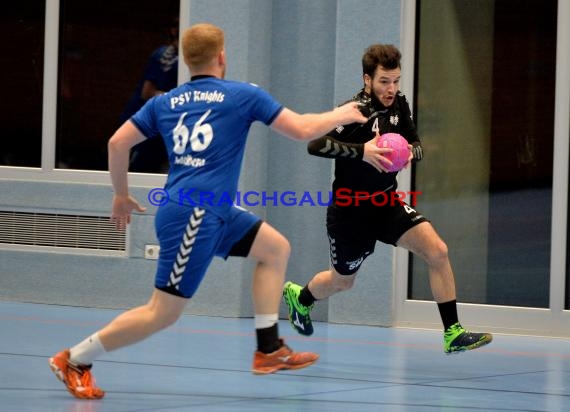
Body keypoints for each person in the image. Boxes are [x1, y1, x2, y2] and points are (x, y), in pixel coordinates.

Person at [48, 23, 367, 400]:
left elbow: (117, 143)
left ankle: (268, 349)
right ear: (221, 57)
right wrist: (342, 113)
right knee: (162, 313)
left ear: (186, 60)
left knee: (274, 248)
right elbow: (300, 129)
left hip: (214, 211)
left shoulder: (164, 102)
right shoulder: (241, 95)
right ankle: (75, 358)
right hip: (193, 216)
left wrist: (120, 195)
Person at [283, 44, 493, 354]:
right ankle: (300, 298)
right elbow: (315, 145)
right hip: (350, 213)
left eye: (395, 80)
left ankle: (452, 332)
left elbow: (417, 144)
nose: (391, 88)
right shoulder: (353, 112)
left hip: (385, 203)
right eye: (384, 81)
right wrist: (362, 152)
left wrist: (410, 152)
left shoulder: (399, 106)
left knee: (437, 251)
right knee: (343, 282)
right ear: (367, 79)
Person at [119, 18, 180, 173]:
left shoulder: (183, 60)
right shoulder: (164, 56)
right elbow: (147, 92)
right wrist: (180, 98)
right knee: (137, 170)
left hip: (163, 126)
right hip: (144, 123)